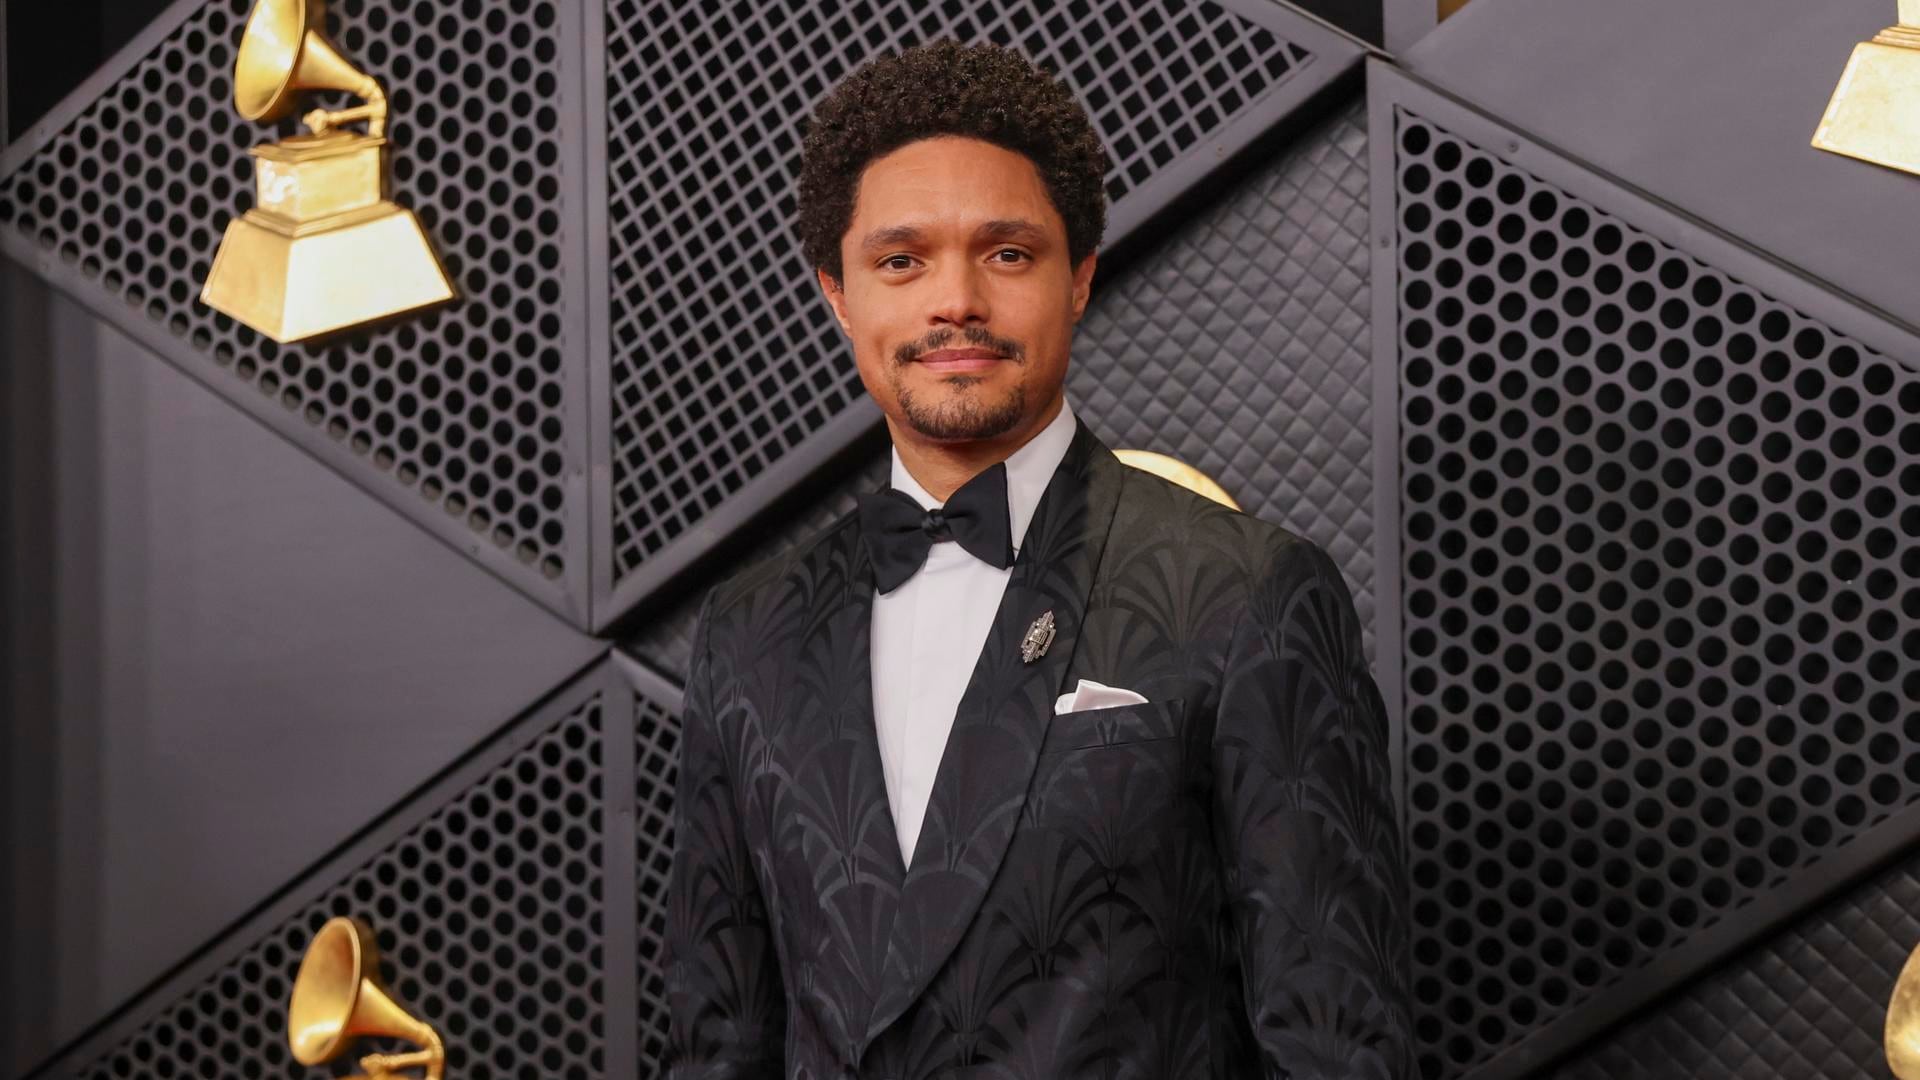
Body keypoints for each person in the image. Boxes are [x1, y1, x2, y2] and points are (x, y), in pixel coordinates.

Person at [664, 39, 1411, 1079]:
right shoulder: (748, 632)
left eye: (1007, 254)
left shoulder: (1250, 595)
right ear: (838, 294)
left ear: (1081, 279)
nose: (955, 301)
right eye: (901, 261)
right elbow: (717, 1046)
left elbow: (1338, 1049)